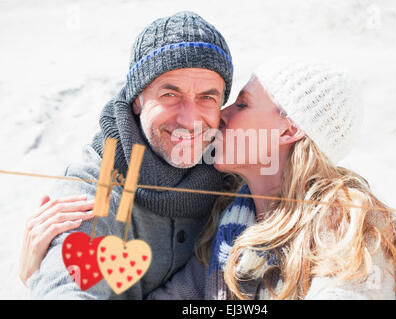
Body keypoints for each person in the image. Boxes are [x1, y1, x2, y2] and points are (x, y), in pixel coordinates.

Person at [145, 58, 396, 300]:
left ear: (289, 130)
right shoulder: (234, 224)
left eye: (243, 104)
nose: (222, 114)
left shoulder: (344, 225)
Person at [18, 11, 234, 299]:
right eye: (170, 95)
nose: (189, 119)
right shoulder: (93, 186)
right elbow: (67, 282)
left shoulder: (235, 175)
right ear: (137, 99)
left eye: (207, 98)